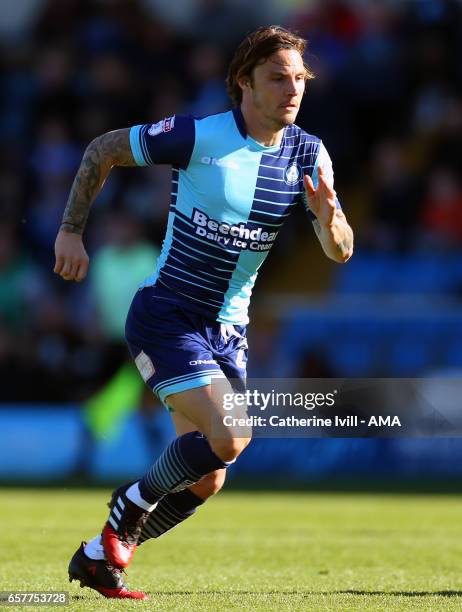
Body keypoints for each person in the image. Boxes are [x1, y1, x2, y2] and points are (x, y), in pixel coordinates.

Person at [54, 25, 353, 600]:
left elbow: (339, 251)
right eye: (277, 78)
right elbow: (103, 150)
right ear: (244, 82)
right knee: (233, 434)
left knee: (211, 477)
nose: (292, 90)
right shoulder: (199, 136)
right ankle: (128, 508)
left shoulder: (310, 154)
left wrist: (330, 217)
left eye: (299, 80)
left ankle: (102, 554)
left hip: (229, 331)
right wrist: (70, 231)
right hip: (168, 314)